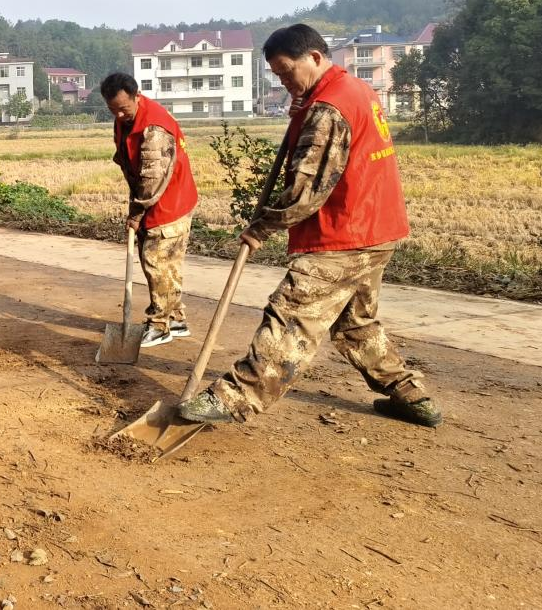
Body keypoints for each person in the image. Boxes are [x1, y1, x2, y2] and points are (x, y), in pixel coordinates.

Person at [177, 24, 443, 428]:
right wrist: (302, 109)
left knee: (292, 316)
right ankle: (411, 395)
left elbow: (305, 190)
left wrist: (262, 227)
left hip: (344, 233)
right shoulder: (353, 91)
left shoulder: (328, 108)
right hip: (377, 229)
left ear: (315, 58)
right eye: (278, 76)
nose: (284, 82)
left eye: (287, 72)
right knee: (356, 324)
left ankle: (236, 397)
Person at [100, 72, 200, 348]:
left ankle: (159, 325)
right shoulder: (125, 120)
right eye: (112, 110)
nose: (118, 115)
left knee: (158, 264)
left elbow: (152, 178)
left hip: (168, 203)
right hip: (153, 201)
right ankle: (176, 318)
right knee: (164, 265)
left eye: (123, 108)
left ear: (137, 96)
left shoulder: (154, 128)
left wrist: (136, 213)